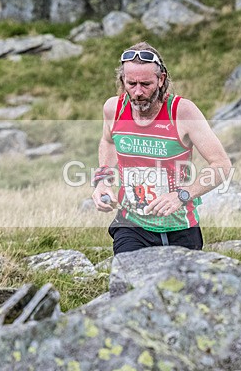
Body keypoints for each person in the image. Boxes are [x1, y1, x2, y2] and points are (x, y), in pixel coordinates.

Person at [92, 42, 232, 255]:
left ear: (161, 79)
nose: (138, 92)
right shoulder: (113, 108)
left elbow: (221, 165)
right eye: (131, 83)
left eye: (146, 84)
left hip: (180, 228)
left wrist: (182, 195)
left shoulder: (182, 112)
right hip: (131, 225)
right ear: (122, 81)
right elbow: (108, 141)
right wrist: (103, 181)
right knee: (130, 283)